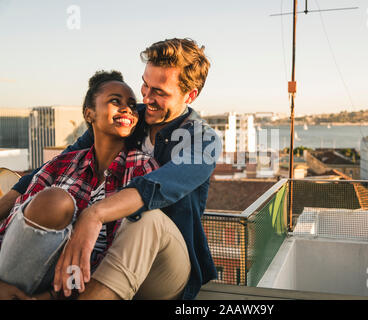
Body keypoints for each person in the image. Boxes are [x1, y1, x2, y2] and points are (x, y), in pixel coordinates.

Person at [1, 38, 221, 300]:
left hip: (163, 263)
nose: (146, 98)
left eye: (159, 93)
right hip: (108, 251)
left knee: (146, 217)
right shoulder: (131, 117)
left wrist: (94, 216)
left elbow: (158, 185)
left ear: (190, 95)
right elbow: (60, 163)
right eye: (145, 85)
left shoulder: (202, 139)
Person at [0, 70, 158, 299]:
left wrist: (52, 296)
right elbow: (12, 226)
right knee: (56, 201)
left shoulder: (143, 170)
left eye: (132, 105)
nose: (127, 109)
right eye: (115, 101)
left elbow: (120, 252)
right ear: (89, 113)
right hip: (16, 271)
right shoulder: (60, 164)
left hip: (75, 286)